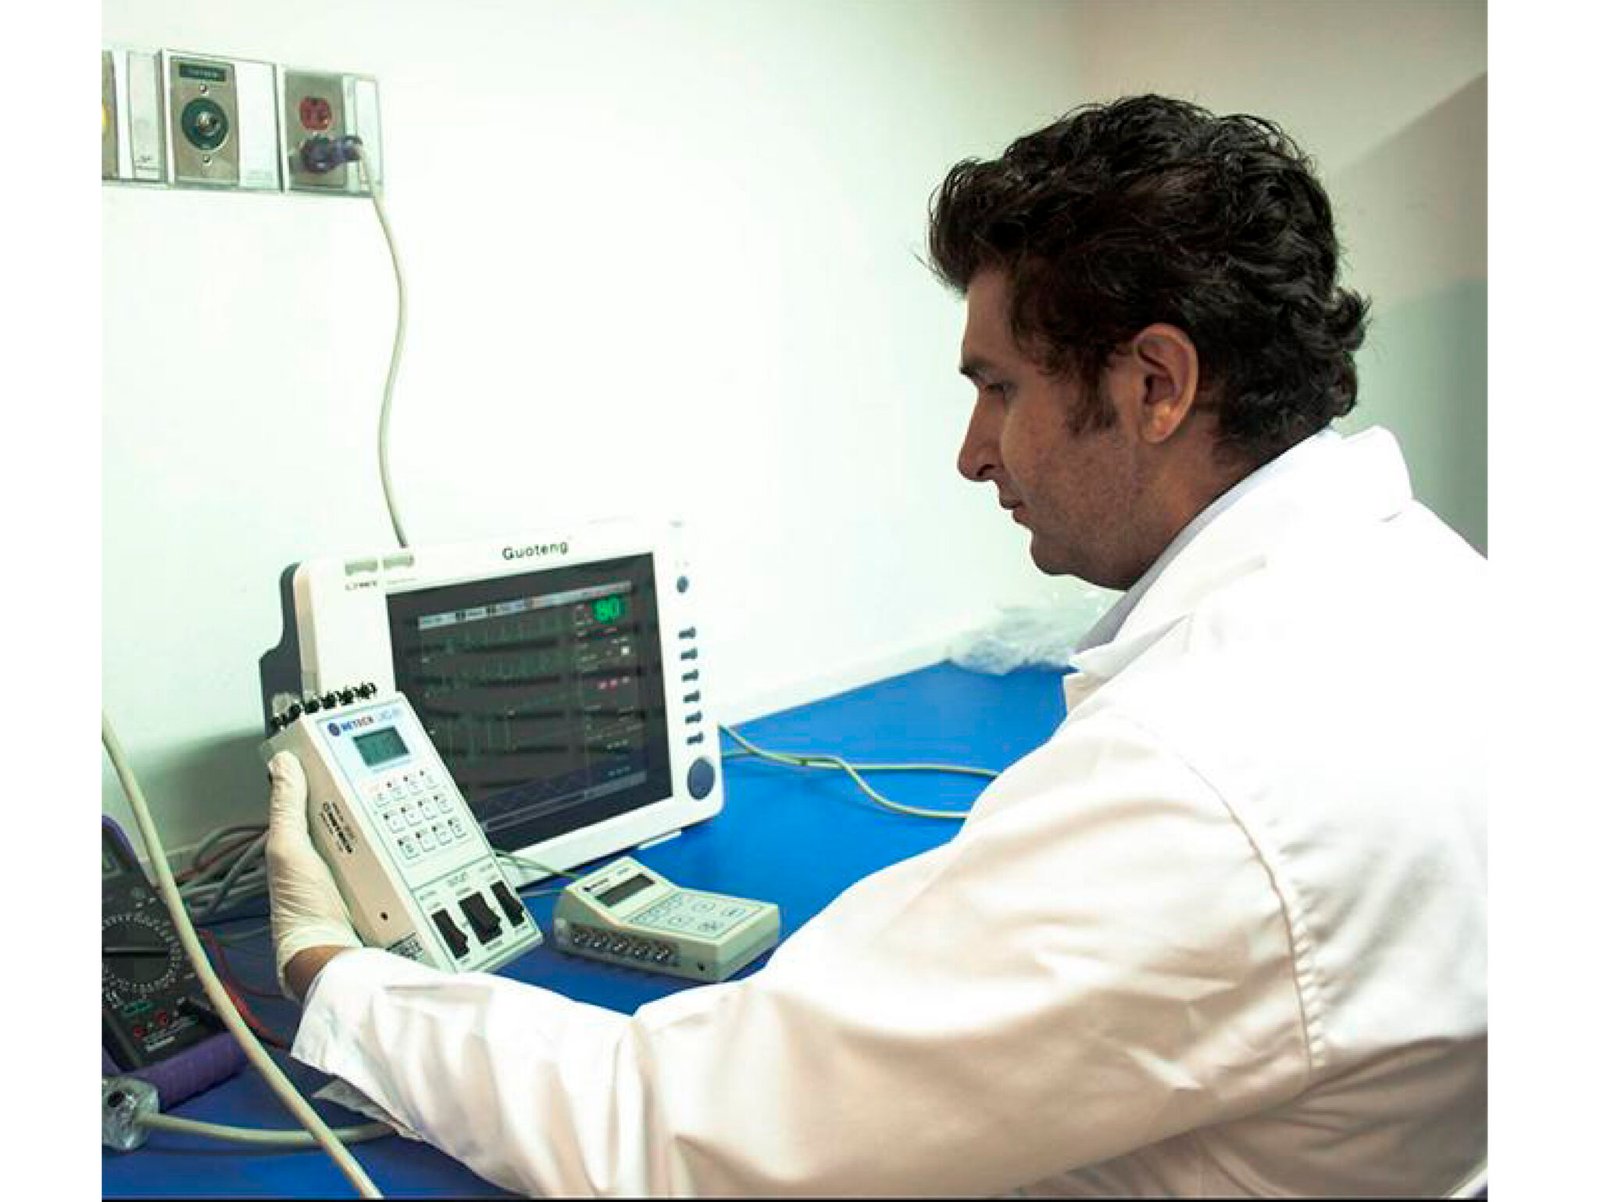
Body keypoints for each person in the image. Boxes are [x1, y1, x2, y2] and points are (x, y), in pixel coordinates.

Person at [266, 95, 1486, 1196]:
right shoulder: (1432, 582)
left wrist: (335, 973)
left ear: (1155, 384)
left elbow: (674, 1131)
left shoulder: (1195, 780)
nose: (972, 451)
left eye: (998, 387)